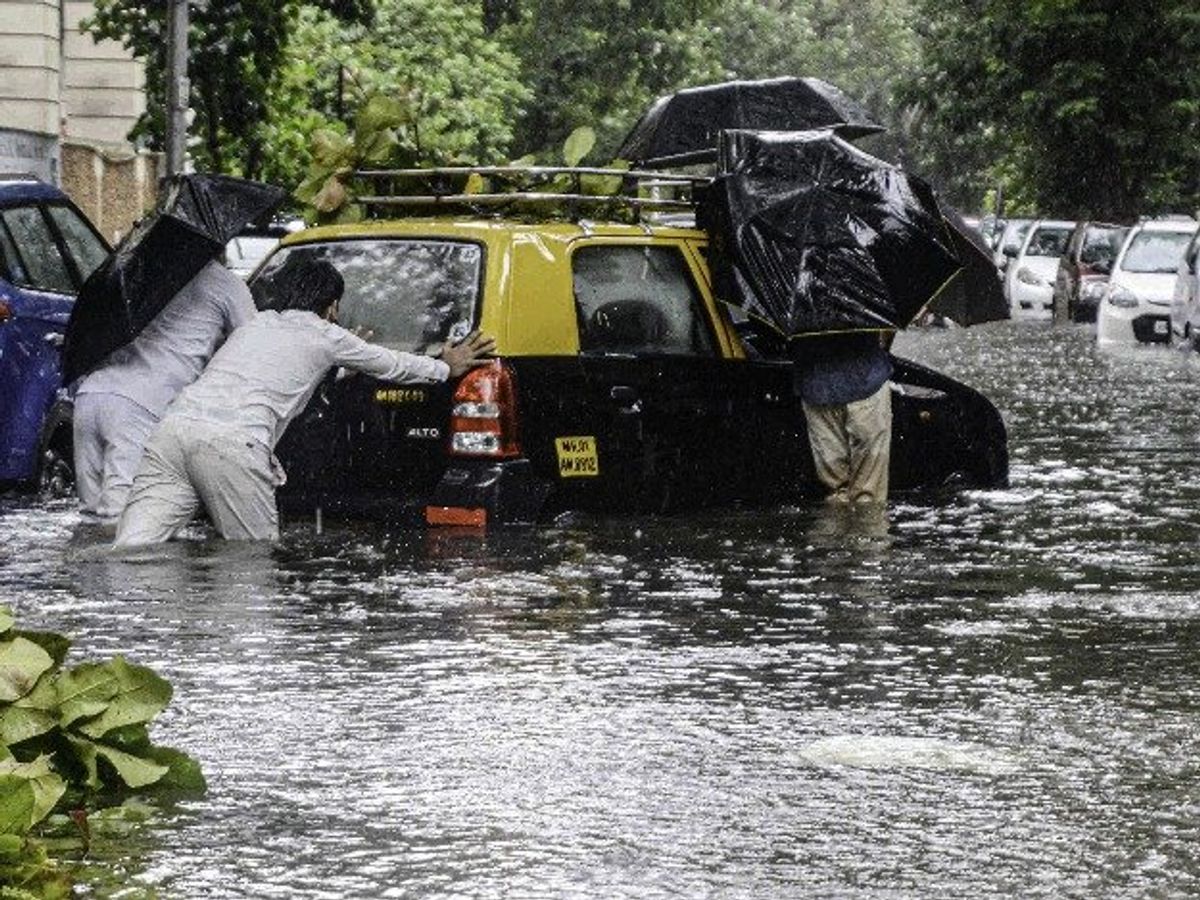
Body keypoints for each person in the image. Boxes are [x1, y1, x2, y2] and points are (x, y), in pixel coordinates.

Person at [114, 260, 495, 545]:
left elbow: (277, 371)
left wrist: (340, 364)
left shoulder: (255, 325)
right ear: (331, 306)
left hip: (172, 434)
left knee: (131, 552)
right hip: (232, 446)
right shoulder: (326, 334)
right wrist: (445, 367)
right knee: (253, 560)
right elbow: (393, 365)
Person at [73, 258, 256, 521]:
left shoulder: (145, 272)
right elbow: (252, 341)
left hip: (91, 396)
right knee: (125, 521)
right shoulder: (224, 283)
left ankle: (83, 564)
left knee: (90, 518)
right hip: (142, 403)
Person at [791, 331, 893, 504]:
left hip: (818, 387)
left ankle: (840, 526)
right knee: (869, 493)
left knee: (836, 492)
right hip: (867, 381)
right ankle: (869, 529)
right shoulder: (867, 305)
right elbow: (888, 328)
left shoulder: (799, 307)